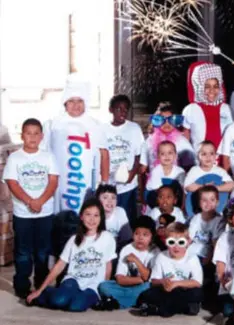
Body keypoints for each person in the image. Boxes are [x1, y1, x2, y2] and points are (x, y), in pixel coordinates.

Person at [26, 199, 117, 312]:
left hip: (93, 285)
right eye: (88, 214)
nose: (92, 219)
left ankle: (67, 295)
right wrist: (40, 290)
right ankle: (45, 293)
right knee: (59, 301)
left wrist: (104, 290)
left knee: (76, 306)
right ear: (81, 216)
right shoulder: (74, 239)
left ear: (101, 218)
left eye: (96, 215)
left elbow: (108, 266)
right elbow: (59, 266)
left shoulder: (107, 237)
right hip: (73, 280)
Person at [2, 118, 59, 299]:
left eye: (36, 133)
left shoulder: (48, 157)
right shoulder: (15, 157)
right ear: (22, 136)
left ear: (41, 136)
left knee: (43, 251)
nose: (32, 137)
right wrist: (29, 201)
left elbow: (53, 181)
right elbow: (12, 182)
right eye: (28, 133)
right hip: (23, 214)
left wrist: (40, 201)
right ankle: (22, 286)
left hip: (45, 212)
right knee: (23, 252)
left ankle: (40, 286)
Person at [41, 73, 110, 213]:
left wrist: (104, 183)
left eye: (80, 101)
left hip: (85, 183)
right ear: (65, 103)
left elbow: (104, 154)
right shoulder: (53, 124)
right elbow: (42, 153)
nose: (76, 105)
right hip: (61, 183)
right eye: (72, 101)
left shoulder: (95, 125)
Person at [136, 222, 203, 317]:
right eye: (171, 242)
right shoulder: (161, 256)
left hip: (183, 289)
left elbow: (197, 282)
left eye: (181, 242)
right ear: (166, 242)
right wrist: (163, 281)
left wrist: (176, 284)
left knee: (197, 293)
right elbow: (154, 281)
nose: (176, 247)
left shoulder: (192, 258)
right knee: (146, 295)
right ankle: (186, 308)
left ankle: (158, 309)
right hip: (166, 290)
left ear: (188, 242)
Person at [97, 216, 159, 309]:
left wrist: (136, 261)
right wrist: (140, 280)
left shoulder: (155, 251)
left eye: (145, 235)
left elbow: (149, 278)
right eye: (137, 233)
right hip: (126, 287)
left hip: (142, 288)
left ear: (152, 237)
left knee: (149, 287)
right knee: (104, 286)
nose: (140, 238)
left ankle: (117, 303)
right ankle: (133, 302)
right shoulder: (127, 249)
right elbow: (120, 279)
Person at [104, 94, 144, 223]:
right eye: (118, 109)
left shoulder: (134, 128)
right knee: (109, 219)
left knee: (126, 219)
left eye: (126, 109)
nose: (123, 112)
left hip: (127, 185)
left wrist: (132, 175)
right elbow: (100, 155)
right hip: (109, 184)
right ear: (110, 110)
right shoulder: (102, 129)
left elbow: (139, 155)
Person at [182, 61, 234, 152]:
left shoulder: (227, 108)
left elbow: (232, 136)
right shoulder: (190, 109)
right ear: (199, 86)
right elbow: (185, 140)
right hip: (198, 161)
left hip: (223, 161)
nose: (212, 91)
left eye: (216, 86)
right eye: (207, 86)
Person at [140, 102, 195, 174]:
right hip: (154, 182)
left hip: (175, 182)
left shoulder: (182, 141)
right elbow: (143, 167)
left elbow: (190, 167)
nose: (166, 123)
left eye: (170, 119)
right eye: (162, 119)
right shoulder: (149, 141)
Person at [187, 185, 225, 264]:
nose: (208, 203)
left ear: (217, 202)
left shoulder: (220, 221)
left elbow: (216, 246)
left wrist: (207, 261)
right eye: (204, 200)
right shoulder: (196, 218)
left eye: (212, 200)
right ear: (199, 203)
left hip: (208, 256)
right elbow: (189, 239)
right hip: (192, 253)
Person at [95, 184, 132, 250]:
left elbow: (127, 239)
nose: (110, 201)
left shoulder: (120, 212)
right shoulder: (93, 215)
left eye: (113, 198)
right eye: (105, 197)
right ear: (97, 200)